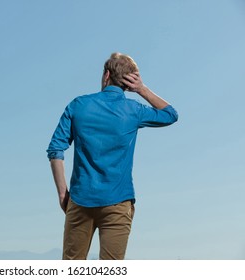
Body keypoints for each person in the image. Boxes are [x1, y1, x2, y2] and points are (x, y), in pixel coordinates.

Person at [46, 52, 178, 260]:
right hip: (118, 202)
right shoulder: (134, 110)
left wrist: (63, 193)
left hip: (80, 200)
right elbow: (171, 114)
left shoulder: (78, 105)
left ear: (106, 75)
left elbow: (55, 149)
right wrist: (142, 89)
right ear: (128, 83)